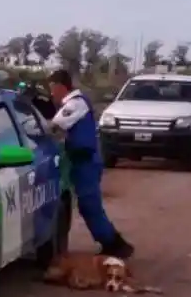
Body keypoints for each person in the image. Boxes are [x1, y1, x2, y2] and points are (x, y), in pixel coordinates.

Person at [47, 69, 134, 259]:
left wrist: (33, 126)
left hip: (86, 162)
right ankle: (111, 243)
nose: (51, 94)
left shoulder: (75, 104)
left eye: (53, 89)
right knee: (89, 206)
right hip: (83, 162)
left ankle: (115, 245)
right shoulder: (76, 103)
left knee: (91, 206)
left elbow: (54, 126)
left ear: (61, 86)